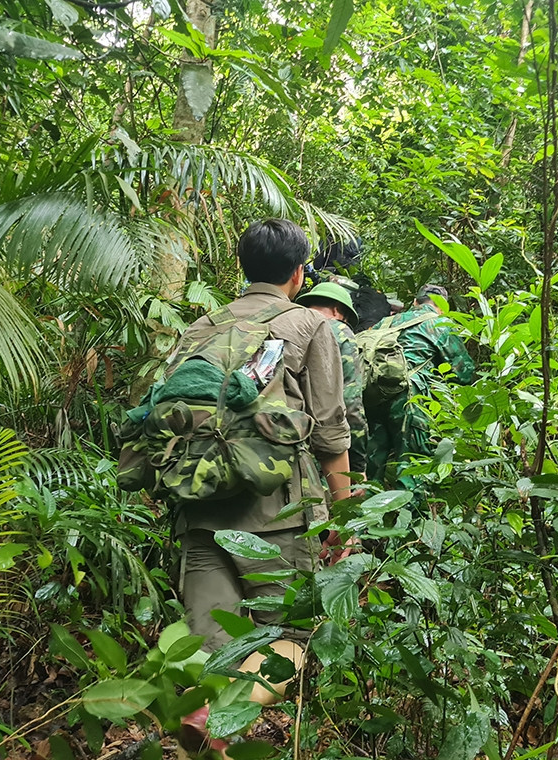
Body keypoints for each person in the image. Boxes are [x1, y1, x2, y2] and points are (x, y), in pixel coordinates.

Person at [173, 219, 351, 754]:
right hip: (278, 512)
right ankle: (220, 718)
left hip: (199, 505)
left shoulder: (201, 326)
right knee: (289, 637)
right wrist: (343, 515)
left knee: (210, 650)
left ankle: (205, 722)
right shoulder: (310, 326)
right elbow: (330, 429)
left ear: (242, 267)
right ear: (299, 273)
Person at [365, 284, 475, 486]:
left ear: (415, 302)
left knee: (371, 467)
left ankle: (364, 500)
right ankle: (408, 503)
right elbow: (464, 373)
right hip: (410, 398)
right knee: (412, 466)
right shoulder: (440, 323)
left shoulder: (386, 322)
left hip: (373, 394)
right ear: (442, 307)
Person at [296, 282, 367, 480]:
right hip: (322, 441)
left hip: (277, 432)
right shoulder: (339, 331)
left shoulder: (287, 324)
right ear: (337, 310)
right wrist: (357, 465)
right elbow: (351, 402)